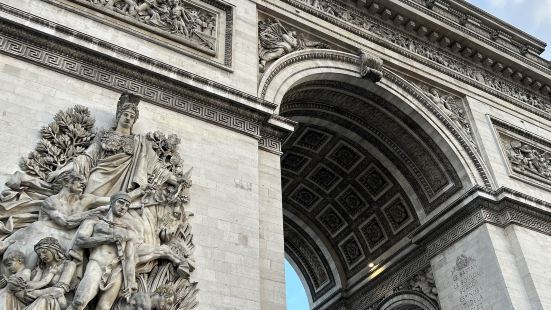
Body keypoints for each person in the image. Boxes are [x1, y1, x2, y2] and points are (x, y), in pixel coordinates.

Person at [66, 192, 137, 310]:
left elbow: (130, 258)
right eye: (120, 202)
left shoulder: (128, 230)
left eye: (126, 205)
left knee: (103, 308)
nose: (123, 207)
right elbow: (81, 240)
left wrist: (130, 282)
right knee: (79, 301)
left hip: (117, 269)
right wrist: (107, 238)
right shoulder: (95, 221)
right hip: (97, 264)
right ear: (112, 203)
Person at [18, 238, 76, 310]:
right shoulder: (39, 269)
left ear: (54, 250)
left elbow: (59, 291)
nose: (42, 256)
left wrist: (35, 293)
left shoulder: (68, 265)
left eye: (44, 252)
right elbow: (28, 287)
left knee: (43, 300)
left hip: (55, 302)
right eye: (39, 254)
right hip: (35, 301)